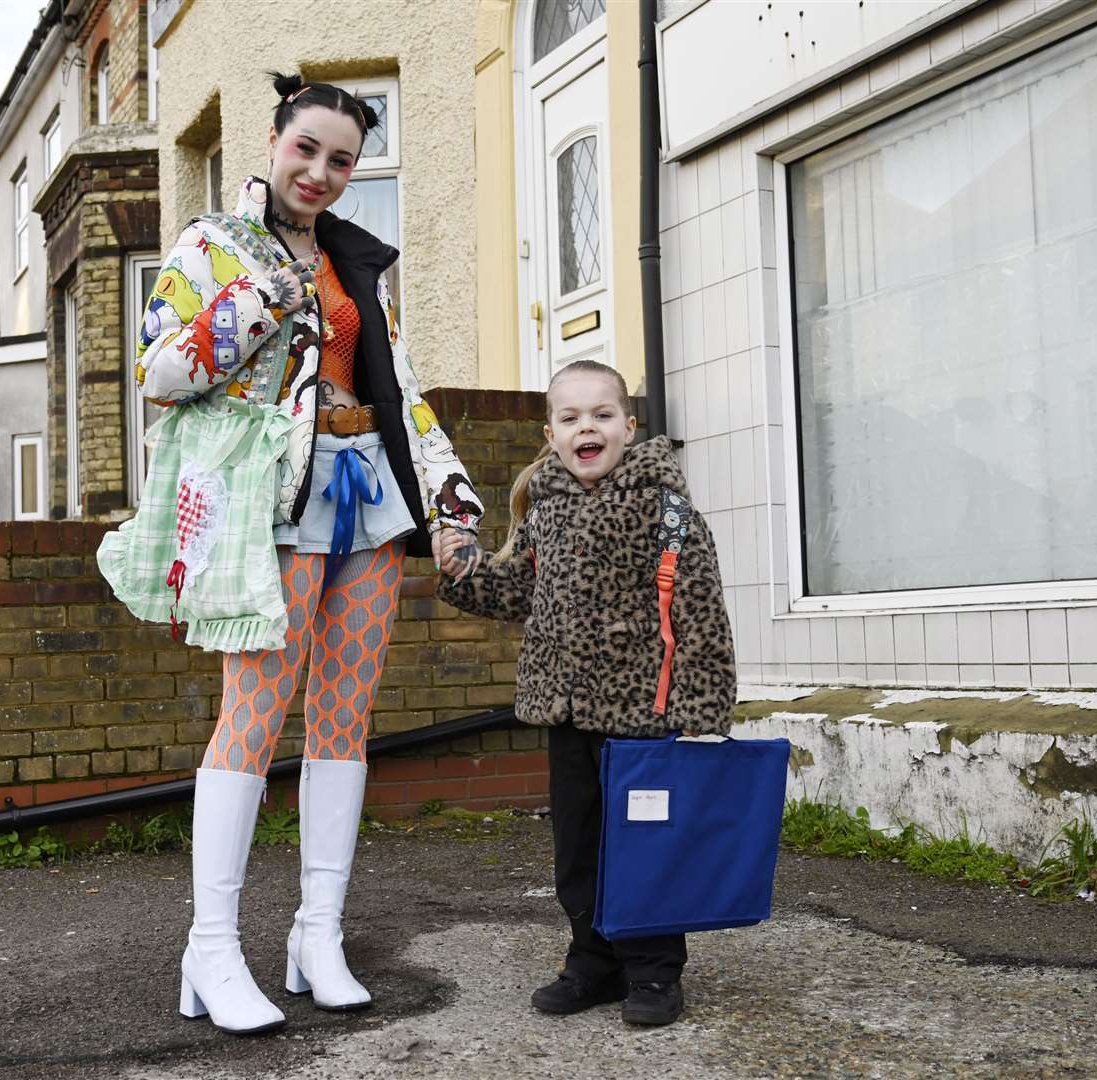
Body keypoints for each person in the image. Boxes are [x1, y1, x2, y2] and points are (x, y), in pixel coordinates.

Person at [134, 73, 481, 1036]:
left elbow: (400, 389)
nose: (321, 172)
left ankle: (315, 933)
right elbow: (159, 373)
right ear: (275, 139)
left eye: (341, 160)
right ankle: (211, 946)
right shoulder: (213, 246)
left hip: (365, 495)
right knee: (252, 715)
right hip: (270, 502)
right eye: (307, 150)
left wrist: (450, 504)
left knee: (344, 718)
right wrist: (259, 300)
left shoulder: (353, 262)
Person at [436, 359, 735, 1027]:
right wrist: (462, 569)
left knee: (645, 848)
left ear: (629, 428)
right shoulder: (545, 510)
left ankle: (654, 971)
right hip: (566, 712)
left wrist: (702, 713)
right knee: (577, 847)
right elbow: (517, 590)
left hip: (644, 718)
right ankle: (593, 963)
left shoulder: (667, 511)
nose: (586, 428)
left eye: (600, 415)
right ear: (550, 433)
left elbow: (701, 612)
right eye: (570, 419)